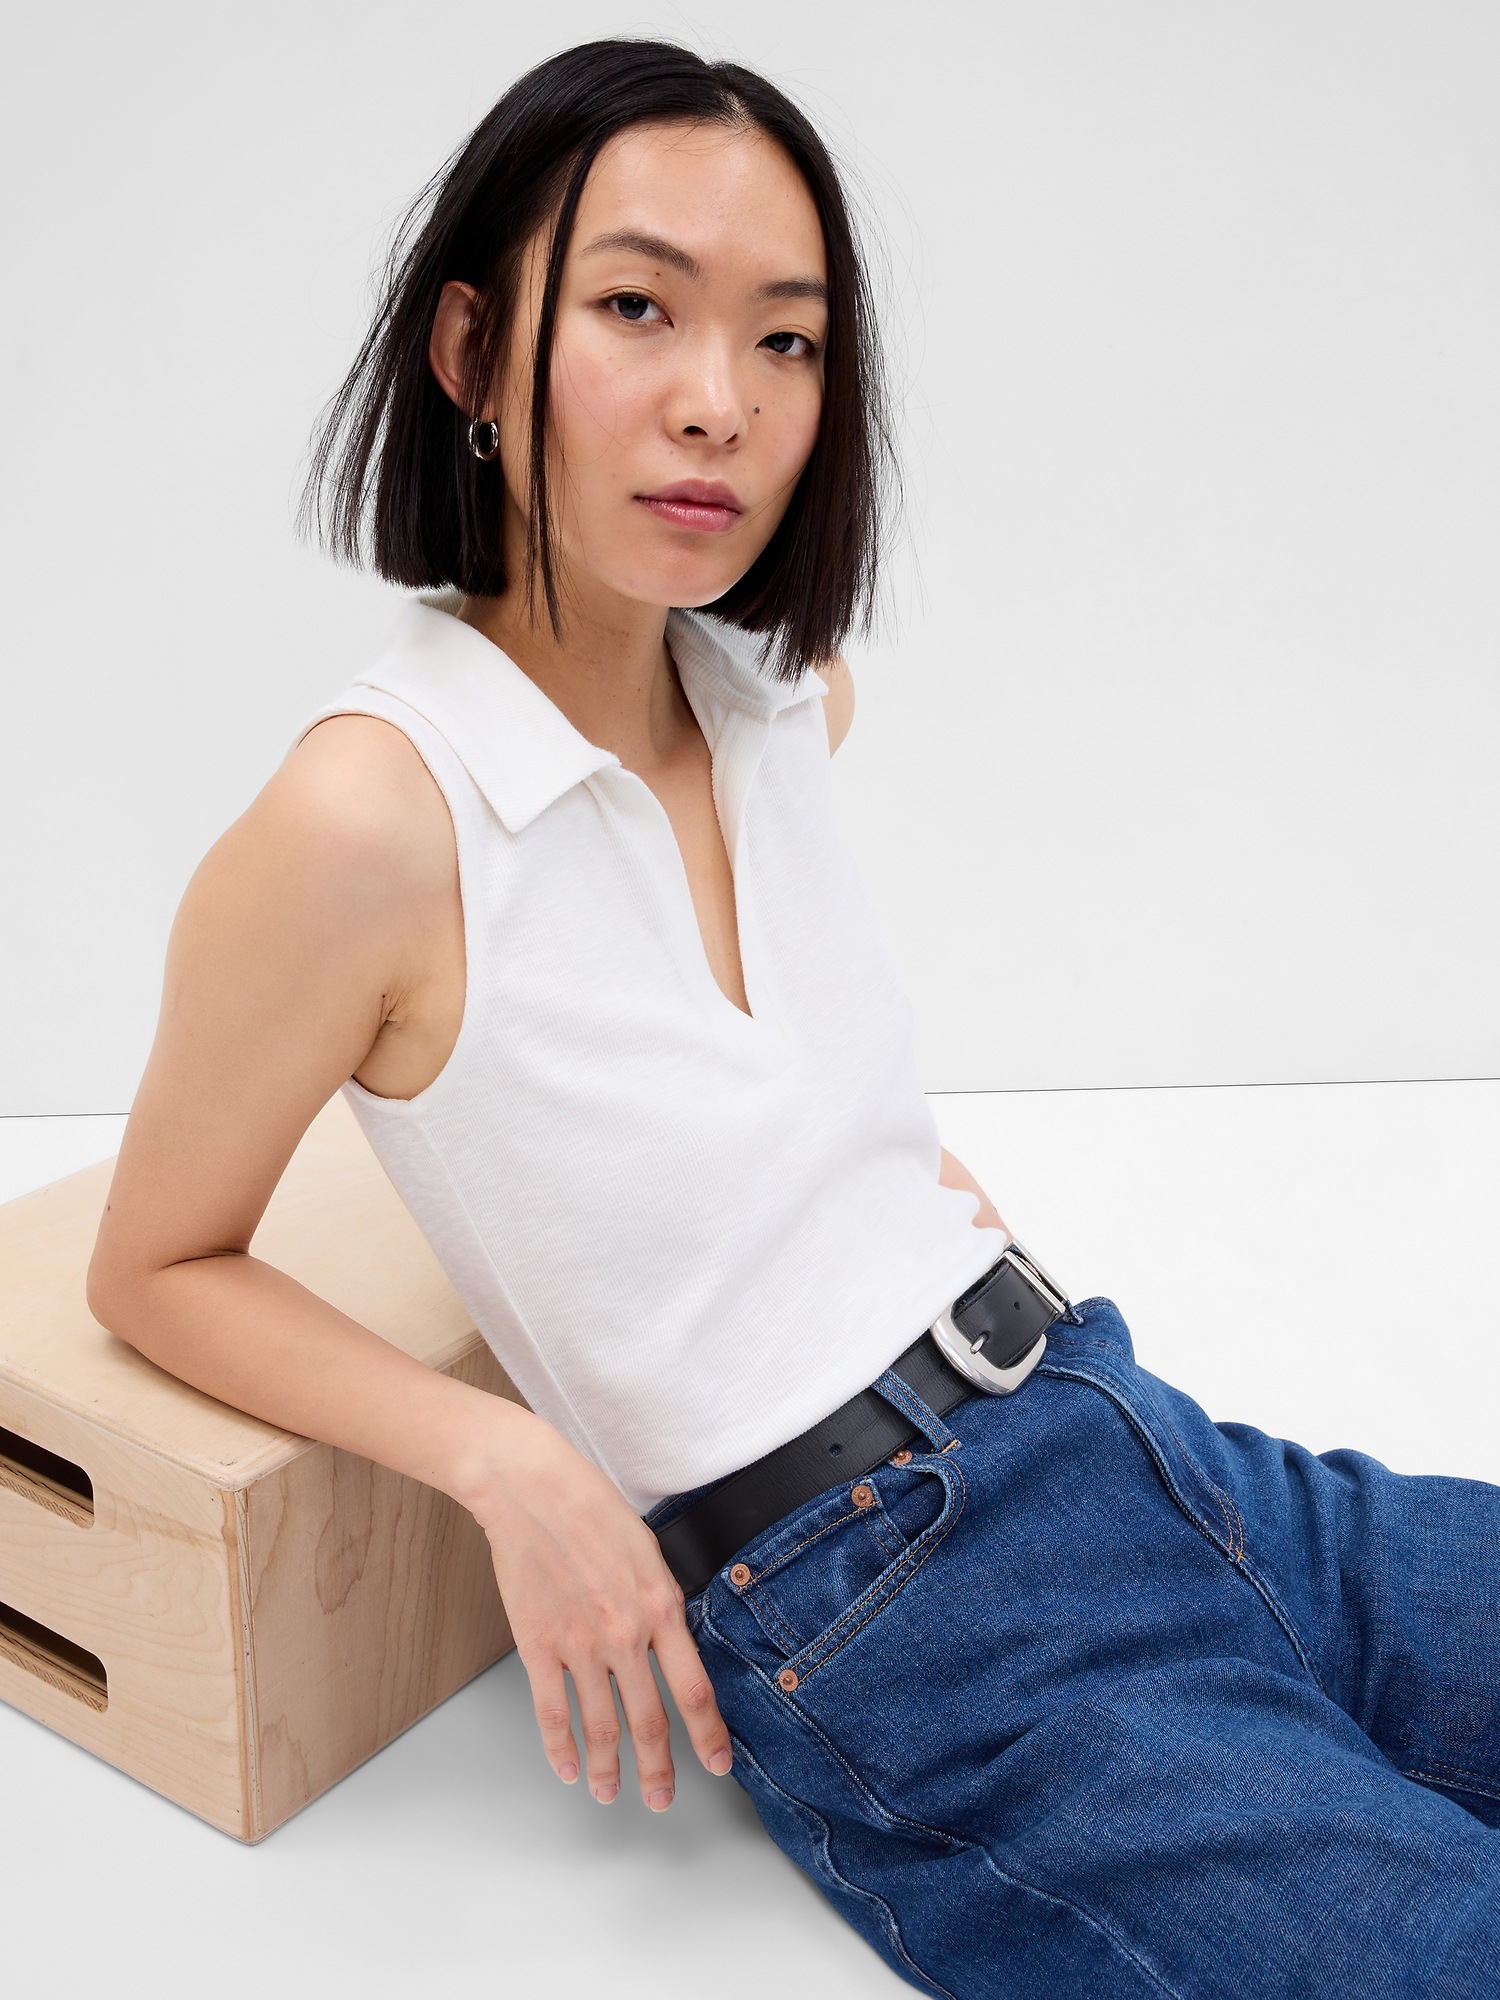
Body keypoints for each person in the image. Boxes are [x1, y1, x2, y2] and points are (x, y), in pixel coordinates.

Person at [86, 38, 1500, 1999]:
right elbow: (154, 1262)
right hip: (898, 1614)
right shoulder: (370, 820)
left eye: (788, 341)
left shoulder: (784, 705)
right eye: (637, 308)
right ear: (473, 351)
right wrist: (513, 1466)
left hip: (1122, 1423)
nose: (719, 403)